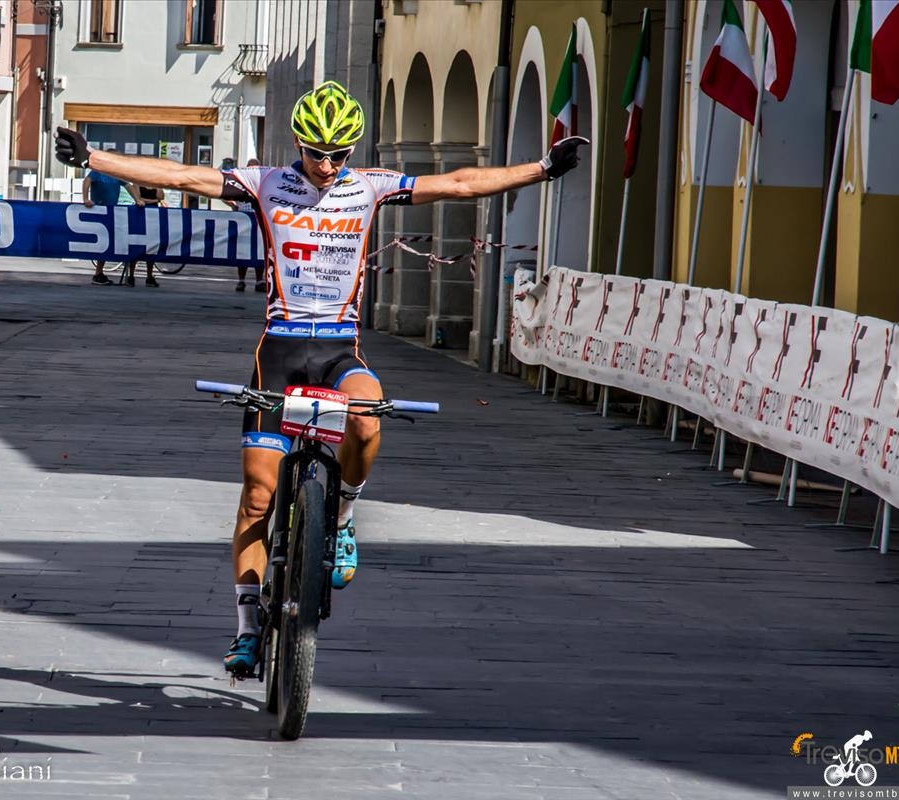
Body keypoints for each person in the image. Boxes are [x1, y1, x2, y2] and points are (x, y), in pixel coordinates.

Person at [55, 81, 587, 677]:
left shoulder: (369, 188)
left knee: (369, 412)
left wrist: (543, 168)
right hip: (279, 354)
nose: (328, 165)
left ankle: (344, 513)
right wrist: (95, 158)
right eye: (317, 153)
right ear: (298, 144)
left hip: (339, 354)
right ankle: (249, 626)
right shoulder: (263, 184)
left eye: (340, 153)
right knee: (258, 495)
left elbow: (459, 183)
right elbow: (182, 176)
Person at [81, 149, 126, 285]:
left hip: (112, 211)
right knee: (102, 242)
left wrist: (138, 199)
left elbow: (129, 185)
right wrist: (85, 198)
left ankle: (99, 273)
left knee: (108, 242)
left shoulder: (116, 173)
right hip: (99, 210)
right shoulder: (99, 171)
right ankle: (98, 273)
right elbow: (87, 181)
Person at [226, 158, 267, 293]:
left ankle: (259, 280)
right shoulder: (240, 183)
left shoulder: (262, 184)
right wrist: (233, 205)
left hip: (258, 221)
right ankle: (241, 280)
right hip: (243, 220)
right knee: (243, 251)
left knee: (259, 251)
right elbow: (225, 193)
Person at [128, 182, 165, 288]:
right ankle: (131, 275)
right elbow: (139, 199)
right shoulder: (137, 183)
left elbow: (161, 196)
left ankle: (149, 276)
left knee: (152, 246)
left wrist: (159, 186)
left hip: (153, 216)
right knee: (136, 245)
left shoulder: (156, 183)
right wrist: (155, 200)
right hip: (139, 215)